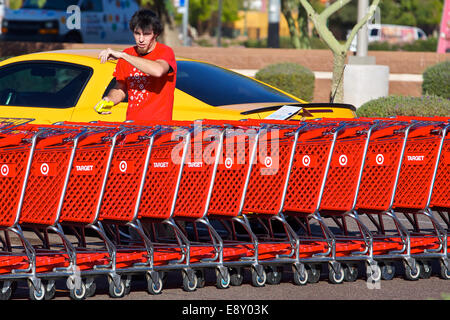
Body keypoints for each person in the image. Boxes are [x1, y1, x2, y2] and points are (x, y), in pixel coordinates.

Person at [95, 9, 177, 121]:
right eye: (137, 33)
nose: (141, 39)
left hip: (158, 130)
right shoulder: (127, 53)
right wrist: (108, 100)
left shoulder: (165, 52)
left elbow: (158, 71)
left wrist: (124, 56)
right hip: (132, 127)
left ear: (156, 34)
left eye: (147, 34)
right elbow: (120, 89)